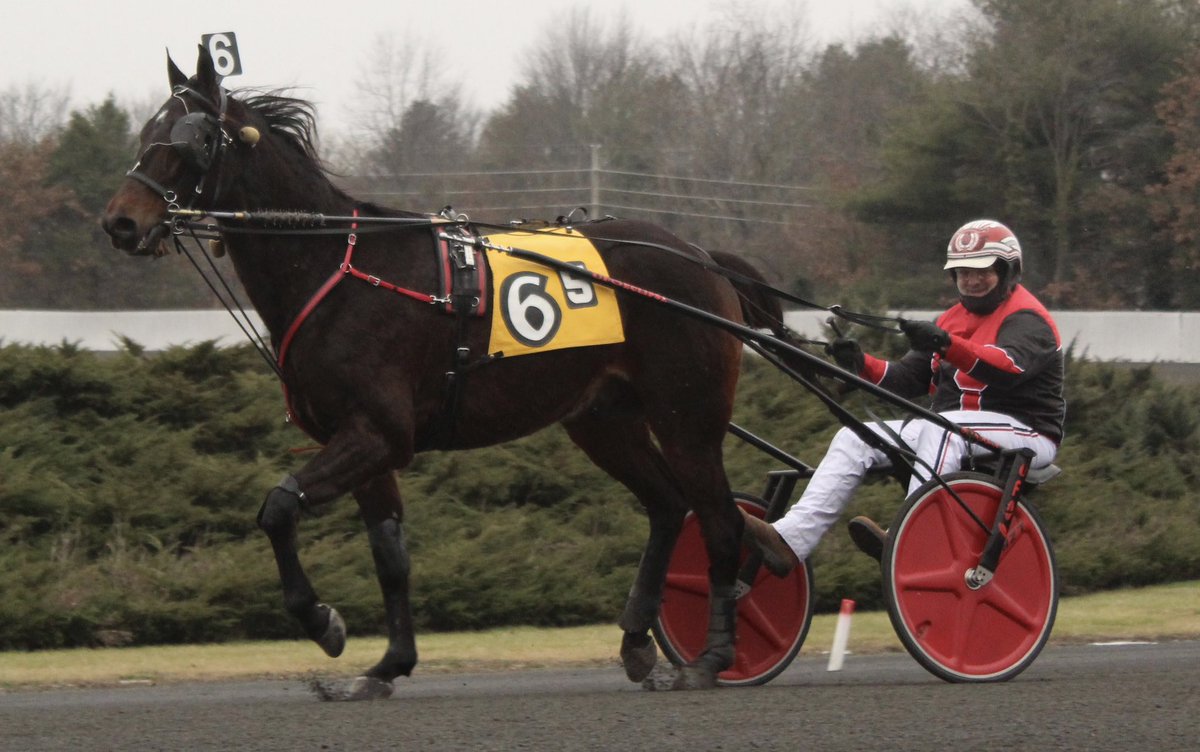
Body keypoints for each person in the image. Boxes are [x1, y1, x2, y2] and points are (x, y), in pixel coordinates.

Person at [742, 219, 1066, 574]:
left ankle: (912, 536)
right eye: (963, 273)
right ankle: (789, 540)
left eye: (982, 272)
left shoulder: (1028, 318)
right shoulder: (952, 319)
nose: (972, 281)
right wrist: (860, 363)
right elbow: (908, 378)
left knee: (941, 427)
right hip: (955, 430)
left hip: (1028, 432)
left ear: (1008, 272)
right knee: (854, 438)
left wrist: (947, 344)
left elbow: (1005, 370)